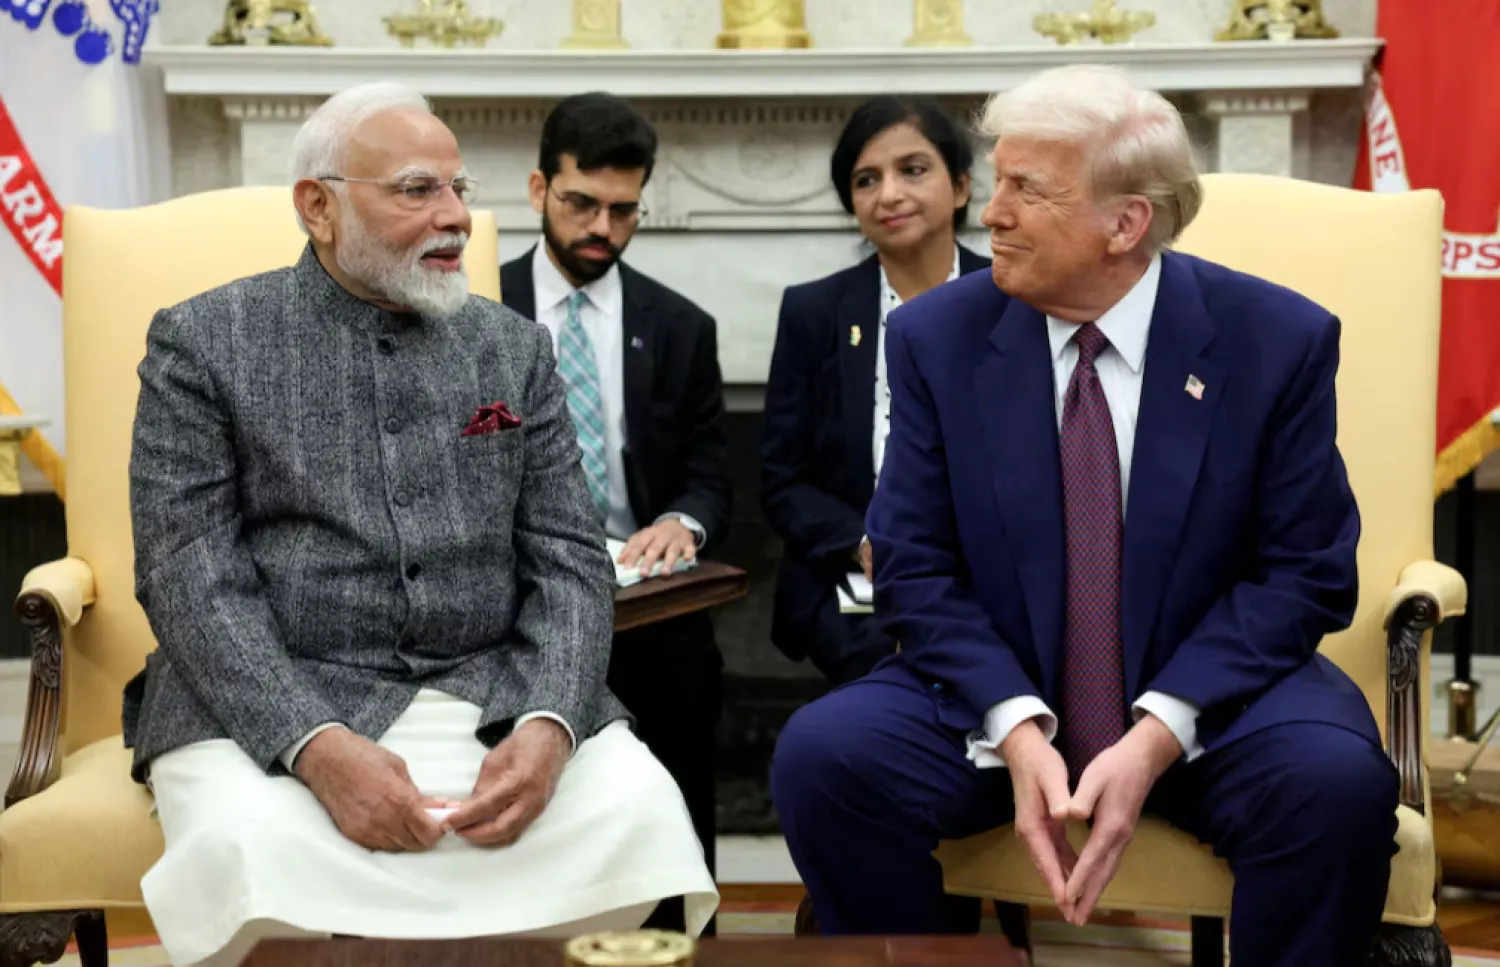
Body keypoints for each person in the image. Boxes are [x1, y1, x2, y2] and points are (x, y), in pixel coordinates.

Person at [770, 64, 1399, 967]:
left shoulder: (1274, 340)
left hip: (1217, 701)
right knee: (826, 757)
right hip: (998, 691)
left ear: (1126, 223)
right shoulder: (937, 338)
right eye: (997, 183)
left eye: (1027, 190)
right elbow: (912, 563)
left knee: (1335, 786)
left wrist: (1158, 731)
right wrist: (1016, 725)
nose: (991, 214)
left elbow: (1306, 572)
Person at [124, 82, 717, 967]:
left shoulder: (512, 349)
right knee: (251, 846)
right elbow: (187, 570)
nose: (456, 218)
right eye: (417, 190)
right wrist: (314, 745)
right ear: (318, 207)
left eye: (458, 190)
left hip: (487, 687)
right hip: (270, 697)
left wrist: (550, 722)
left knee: (637, 809)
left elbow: (568, 559)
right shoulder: (205, 343)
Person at [498, 92, 731, 933]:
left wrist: (683, 522)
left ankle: (679, 934)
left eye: (623, 210)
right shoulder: (475, 308)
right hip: (510, 597)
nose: (602, 226)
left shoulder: (681, 325)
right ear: (539, 189)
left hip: (643, 595)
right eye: (582, 203)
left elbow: (711, 471)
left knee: (685, 677)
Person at [760, 96, 988, 684]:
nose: (889, 194)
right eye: (866, 180)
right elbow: (783, 481)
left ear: (960, 186)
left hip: (991, 574)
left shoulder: (1012, 300)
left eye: (913, 170)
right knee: (884, 671)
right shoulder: (814, 312)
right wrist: (865, 541)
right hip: (857, 579)